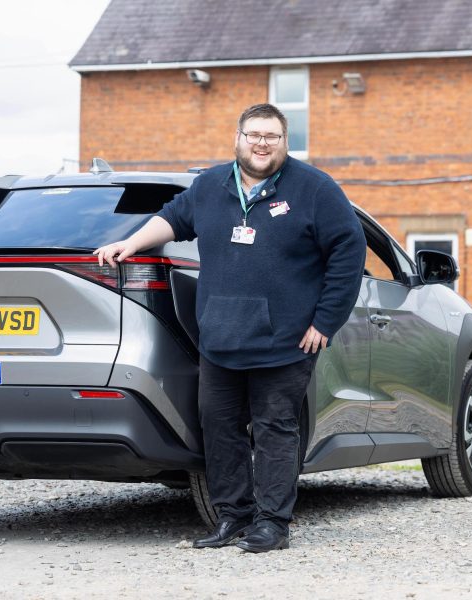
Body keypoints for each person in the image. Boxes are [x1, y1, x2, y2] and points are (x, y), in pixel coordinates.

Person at [94, 103, 366, 553]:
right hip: (220, 337)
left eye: (271, 137)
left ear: (284, 141)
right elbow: (171, 220)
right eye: (254, 134)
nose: (262, 143)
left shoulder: (314, 188)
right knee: (218, 429)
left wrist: (325, 321)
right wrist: (130, 241)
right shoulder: (209, 186)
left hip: (286, 340)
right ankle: (233, 517)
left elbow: (348, 253)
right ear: (238, 137)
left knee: (274, 429)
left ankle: (272, 523)